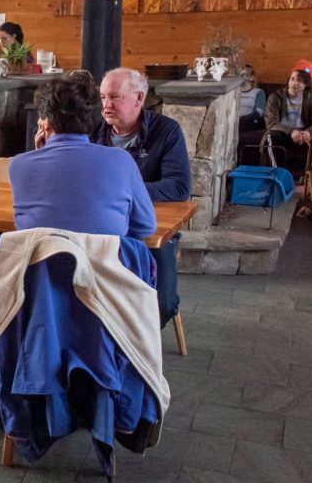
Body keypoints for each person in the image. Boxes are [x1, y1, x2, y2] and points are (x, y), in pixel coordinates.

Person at [90, 67, 190, 327]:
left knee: (163, 305)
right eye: (102, 97)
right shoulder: (92, 131)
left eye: (114, 97)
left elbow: (179, 187)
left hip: (150, 231)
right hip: (99, 228)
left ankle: (137, 350)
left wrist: (126, 191)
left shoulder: (166, 131)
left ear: (138, 98)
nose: (106, 105)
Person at [11, 74, 155, 239]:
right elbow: (146, 226)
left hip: (42, 263)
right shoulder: (122, 161)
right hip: (105, 263)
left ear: (46, 123)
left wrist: (40, 154)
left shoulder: (19, 165)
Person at [264, 68, 312, 157]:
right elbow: (271, 122)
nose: (295, 83)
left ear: (306, 85)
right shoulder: (275, 97)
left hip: (304, 133)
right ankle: (277, 170)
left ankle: (311, 169)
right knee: (273, 137)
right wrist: (291, 131)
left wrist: (308, 131)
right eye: (292, 79)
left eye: (300, 81)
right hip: (283, 132)